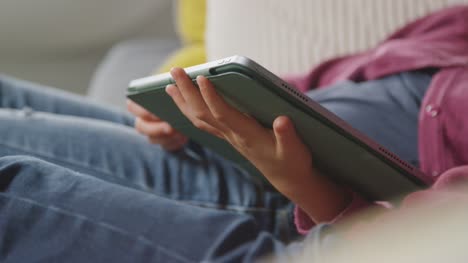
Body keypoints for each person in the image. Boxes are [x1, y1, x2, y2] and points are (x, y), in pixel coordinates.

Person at [0, 5, 467, 262]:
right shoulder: (456, 26)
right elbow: (333, 78)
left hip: (279, 185)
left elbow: (415, 232)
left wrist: (301, 182)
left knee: (10, 186)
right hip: (237, 137)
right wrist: (204, 100)